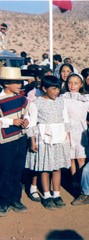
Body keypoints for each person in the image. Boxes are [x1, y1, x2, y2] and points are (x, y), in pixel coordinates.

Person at [25, 75, 71, 209]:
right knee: (45, 168)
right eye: (53, 89)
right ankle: (46, 195)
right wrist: (32, 141)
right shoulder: (36, 103)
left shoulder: (61, 101)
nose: (56, 92)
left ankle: (56, 193)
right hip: (44, 139)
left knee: (57, 168)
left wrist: (67, 138)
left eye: (58, 89)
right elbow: (32, 124)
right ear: (44, 88)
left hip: (59, 137)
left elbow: (66, 120)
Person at [0, 67, 31, 217]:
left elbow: (30, 113)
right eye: (16, 82)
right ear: (6, 83)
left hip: (21, 138)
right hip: (6, 142)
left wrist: (26, 121)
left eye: (20, 82)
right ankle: (4, 201)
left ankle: (15, 199)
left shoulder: (22, 98)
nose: (20, 85)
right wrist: (12, 121)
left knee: (18, 169)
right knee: (5, 170)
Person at [62, 73, 89, 193]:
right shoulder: (63, 98)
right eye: (70, 82)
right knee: (71, 158)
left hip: (80, 131)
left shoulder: (85, 99)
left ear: (81, 84)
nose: (72, 85)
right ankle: (74, 181)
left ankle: (83, 183)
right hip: (67, 130)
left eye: (75, 83)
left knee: (81, 158)